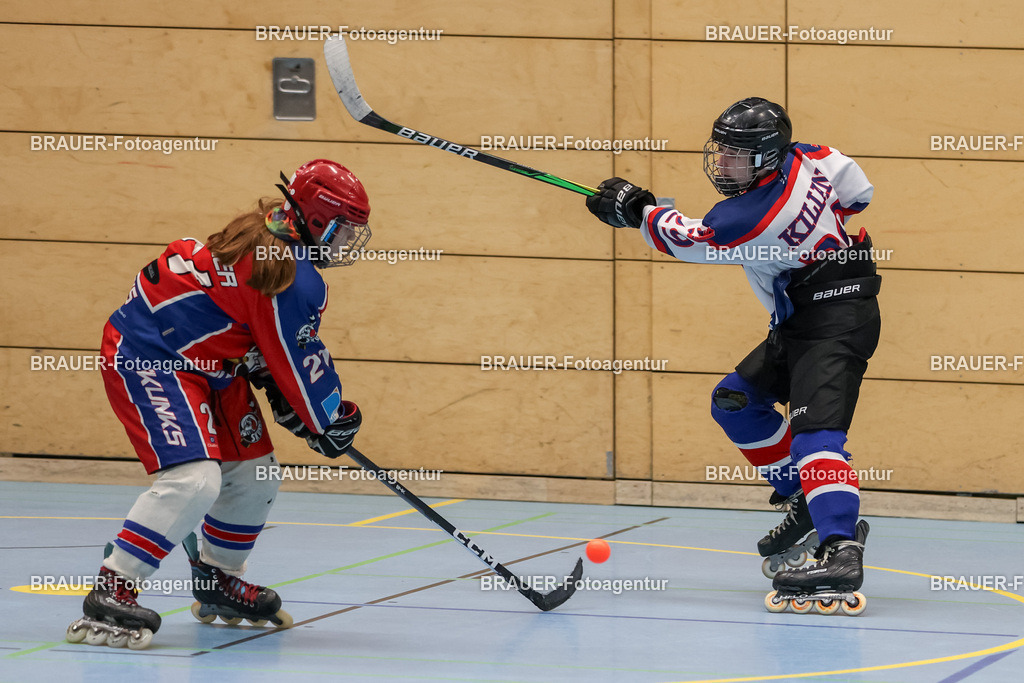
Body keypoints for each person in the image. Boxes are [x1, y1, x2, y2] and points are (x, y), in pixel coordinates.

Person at [585, 98, 880, 614]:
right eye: (720, 152)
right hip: (806, 314)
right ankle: (802, 497)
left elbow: (685, 239)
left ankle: (841, 549)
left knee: (817, 434)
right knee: (736, 401)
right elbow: (858, 194)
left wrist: (636, 211)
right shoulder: (812, 156)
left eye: (736, 156)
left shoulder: (750, 215)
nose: (722, 164)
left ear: (767, 157)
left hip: (835, 322)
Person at [66, 159, 371, 649]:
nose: (344, 244)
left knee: (256, 473)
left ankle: (218, 578)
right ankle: (113, 588)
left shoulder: (269, 227)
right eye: (339, 230)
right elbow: (298, 356)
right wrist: (327, 419)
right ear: (314, 220)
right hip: (154, 357)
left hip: (208, 364)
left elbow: (246, 327)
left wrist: (275, 384)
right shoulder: (289, 271)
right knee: (193, 481)